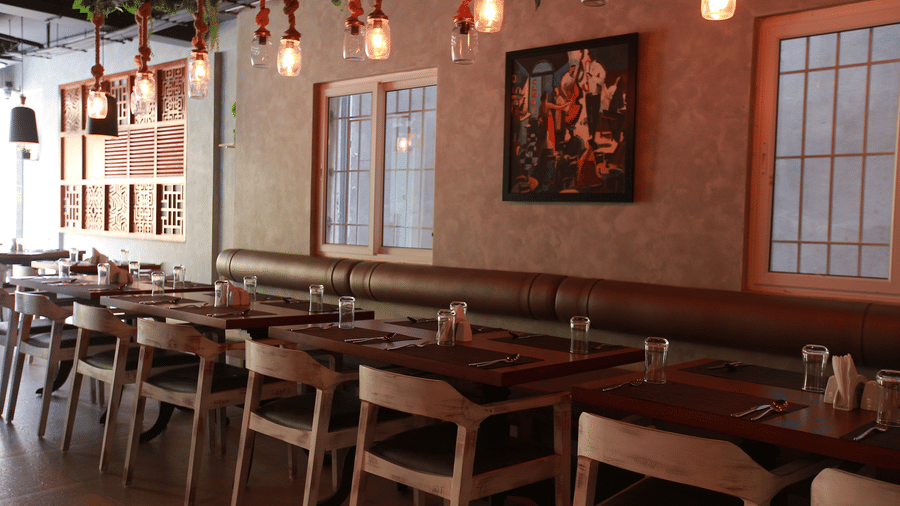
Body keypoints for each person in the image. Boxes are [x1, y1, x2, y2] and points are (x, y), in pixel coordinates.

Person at [580, 50, 606, 147]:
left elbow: (602, 80)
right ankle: (590, 136)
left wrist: (592, 77)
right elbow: (584, 79)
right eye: (588, 56)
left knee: (594, 117)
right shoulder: (586, 66)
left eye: (590, 56)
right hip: (588, 94)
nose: (588, 57)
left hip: (596, 95)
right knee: (589, 117)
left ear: (593, 56)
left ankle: (593, 137)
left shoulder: (598, 66)